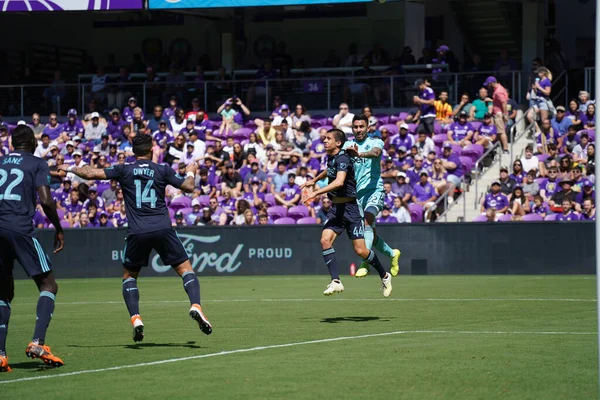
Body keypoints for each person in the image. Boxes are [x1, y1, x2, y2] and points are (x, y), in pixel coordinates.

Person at [59, 134, 212, 342]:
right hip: (162, 228)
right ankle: (195, 304)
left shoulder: (124, 169)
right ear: (151, 150)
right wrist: (192, 172)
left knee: (129, 277)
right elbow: (188, 187)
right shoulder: (162, 170)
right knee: (186, 269)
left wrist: (68, 168)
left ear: (133, 151)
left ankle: (136, 318)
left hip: (137, 231)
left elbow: (89, 173)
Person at [0, 125, 65, 371]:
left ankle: (0, 354)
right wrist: (58, 227)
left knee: (3, 292)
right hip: (19, 228)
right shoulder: (37, 163)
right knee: (49, 284)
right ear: (32, 143)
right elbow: (46, 201)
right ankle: (38, 342)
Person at [301, 128, 392, 297]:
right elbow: (329, 171)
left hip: (350, 209)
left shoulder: (343, 158)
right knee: (325, 240)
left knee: (361, 251)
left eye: (328, 138)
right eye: (325, 138)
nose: (325, 140)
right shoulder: (332, 158)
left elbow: (339, 181)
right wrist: (314, 180)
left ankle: (385, 276)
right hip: (336, 210)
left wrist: (315, 192)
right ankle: (336, 281)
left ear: (338, 143)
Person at [342, 114, 400, 278]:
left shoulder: (376, 142)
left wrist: (359, 154)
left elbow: (376, 153)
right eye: (356, 127)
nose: (358, 130)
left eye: (362, 126)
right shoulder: (347, 145)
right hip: (356, 196)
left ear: (368, 128)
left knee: (367, 220)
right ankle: (393, 254)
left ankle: (365, 262)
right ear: (352, 128)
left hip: (374, 190)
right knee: (371, 236)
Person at [483, 76, 510, 154]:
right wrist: (491, 100)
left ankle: (505, 149)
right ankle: (499, 146)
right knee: (497, 131)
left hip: (499, 114)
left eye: (488, 84)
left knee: (501, 132)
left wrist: (505, 114)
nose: (488, 86)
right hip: (498, 112)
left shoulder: (498, 91)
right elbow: (499, 101)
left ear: (491, 83)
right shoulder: (501, 88)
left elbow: (504, 102)